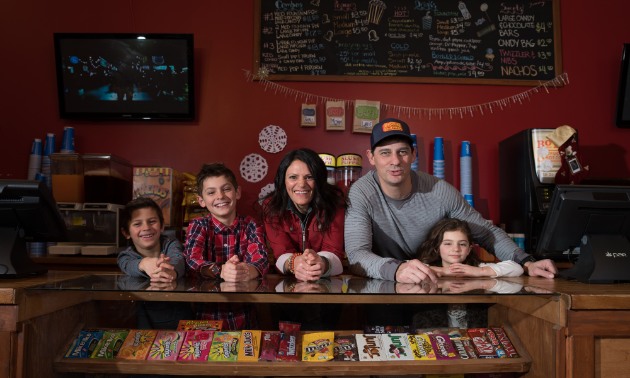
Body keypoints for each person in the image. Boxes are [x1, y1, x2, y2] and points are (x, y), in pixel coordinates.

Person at [344, 118, 558, 284]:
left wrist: (527, 262)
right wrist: (397, 269)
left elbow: (485, 232)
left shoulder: (440, 190)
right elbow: (356, 255)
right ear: (371, 158)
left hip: (436, 284)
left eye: (402, 152)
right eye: (385, 153)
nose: (395, 161)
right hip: (385, 283)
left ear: (413, 154)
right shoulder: (361, 193)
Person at [259, 148, 346, 330]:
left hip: (327, 291)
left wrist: (320, 262)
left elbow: (335, 252)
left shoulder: (335, 202)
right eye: (293, 177)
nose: (301, 184)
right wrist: (295, 262)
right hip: (286, 291)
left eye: (309, 177)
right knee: (287, 346)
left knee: (323, 343)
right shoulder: (271, 206)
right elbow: (281, 253)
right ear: (283, 180)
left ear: (320, 179)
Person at [183, 162, 269, 329]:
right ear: (201, 200)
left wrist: (242, 271)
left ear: (237, 192)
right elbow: (191, 261)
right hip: (206, 320)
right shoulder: (198, 225)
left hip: (246, 319)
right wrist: (221, 270)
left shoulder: (251, 224)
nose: (220, 196)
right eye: (211, 192)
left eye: (226, 189)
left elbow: (261, 260)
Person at [117, 197, 193, 329]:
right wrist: (144, 264)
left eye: (152, 221)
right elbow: (127, 265)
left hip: (182, 319)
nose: (146, 227)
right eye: (137, 224)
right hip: (145, 322)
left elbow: (178, 259)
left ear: (162, 225)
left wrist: (170, 271)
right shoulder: (126, 256)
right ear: (126, 232)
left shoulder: (171, 244)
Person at [418, 218, 523, 279]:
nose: (456, 249)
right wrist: (445, 271)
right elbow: (406, 266)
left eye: (462, 244)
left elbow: (516, 268)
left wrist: (479, 271)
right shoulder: (426, 267)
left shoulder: (476, 268)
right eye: (448, 243)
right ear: (436, 249)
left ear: (469, 250)